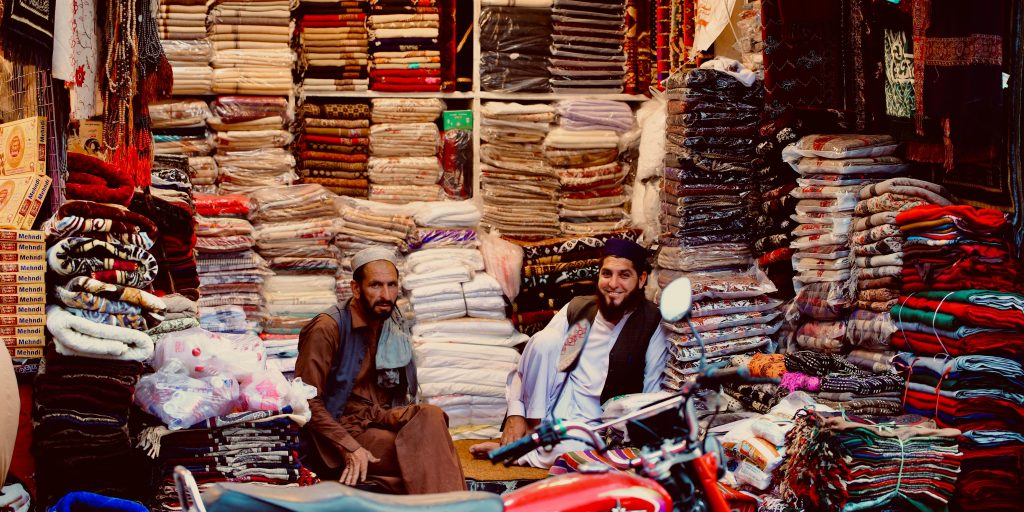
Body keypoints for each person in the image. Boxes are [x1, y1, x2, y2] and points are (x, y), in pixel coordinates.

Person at [471, 238, 669, 467]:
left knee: (574, 451)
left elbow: (652, 393)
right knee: (545, 341)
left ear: (642, 279)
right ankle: (533, 434)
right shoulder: (579, 309)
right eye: (607, 274)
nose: (613, 283)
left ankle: (521, 451)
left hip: (601, 424)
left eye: (624, 275)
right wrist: (516, 414)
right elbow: (531, 362)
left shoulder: (651, 322)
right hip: (557, 406)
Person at [295, 247, 466, 493]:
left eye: (392, 285)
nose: (386, 295)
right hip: (341, 430)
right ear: (356, 289)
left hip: (378, 418)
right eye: (375, 286)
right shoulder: (328, 327)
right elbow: (305, 401)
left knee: (431, 416)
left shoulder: (393, 324)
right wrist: (349, 447)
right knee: (429, 454)